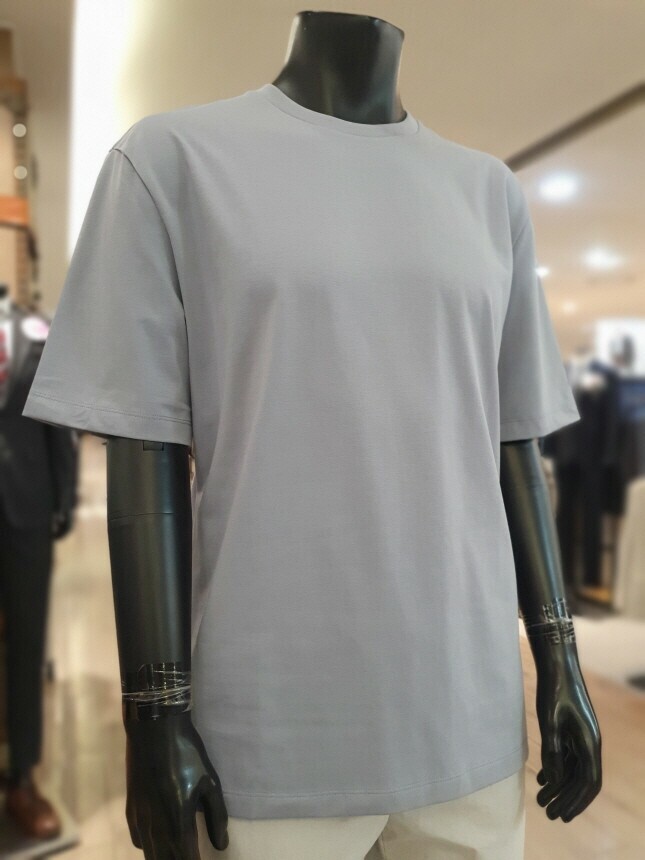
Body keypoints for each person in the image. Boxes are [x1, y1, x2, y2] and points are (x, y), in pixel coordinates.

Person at [22, 11, 601, 859]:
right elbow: (144, 452)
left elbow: (514, 442)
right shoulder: (170, 161)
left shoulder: (487, 191)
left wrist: (560, 661)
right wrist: (154, 718)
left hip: (467, 711)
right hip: (271, 726)